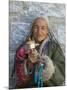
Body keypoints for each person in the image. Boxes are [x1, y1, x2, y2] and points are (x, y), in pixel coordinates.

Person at [14, 17, 65, 88]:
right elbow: (19, 72)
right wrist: (29, 63)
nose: (39, 32)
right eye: (36, 27)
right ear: (32, 29)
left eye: (43, 28)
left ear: (47, 31)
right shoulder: (24, 48)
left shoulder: (54, 47)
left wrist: (45, 64)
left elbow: (62, 70)